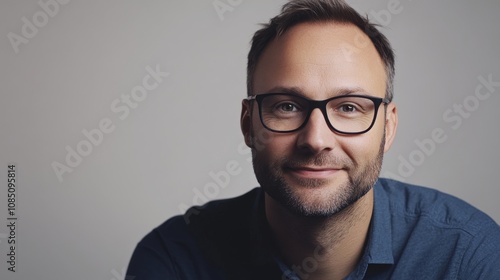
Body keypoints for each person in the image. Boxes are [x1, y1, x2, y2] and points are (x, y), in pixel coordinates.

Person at [126, 0, 500, 279]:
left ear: (388, 128)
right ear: (247, 124)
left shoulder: (468, 254)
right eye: (287, 106)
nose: (316, 139)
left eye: (349, 108)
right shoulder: (176, 259)